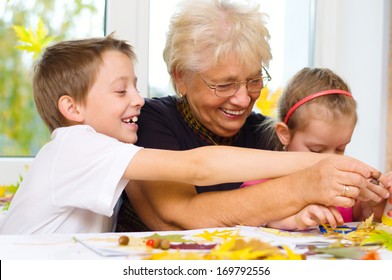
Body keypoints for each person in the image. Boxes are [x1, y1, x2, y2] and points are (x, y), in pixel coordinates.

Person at [0, 34, 355, 235]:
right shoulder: (78, 145)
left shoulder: (106, 151)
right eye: (121, 91)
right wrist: (315, 162)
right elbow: (200, 166)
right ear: (72, 109)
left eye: (136, 88)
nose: (139, 100)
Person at [116, 0, 391, 232]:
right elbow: (179, 217)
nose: (243, 98)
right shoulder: (149, 120)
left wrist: (369, 203)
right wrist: (305, 185)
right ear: (181, 77)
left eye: (254, 80)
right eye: (224, 84)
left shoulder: (266, 134)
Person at [243, 67, 389, 230]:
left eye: (341, 148)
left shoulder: (344, 185)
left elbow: (362, 217)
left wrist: (376, 204)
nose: (330, 160)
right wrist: (296, 220)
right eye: (317, 150)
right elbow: (255, 217)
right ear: (284, 134)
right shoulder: (261, 182)